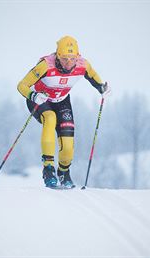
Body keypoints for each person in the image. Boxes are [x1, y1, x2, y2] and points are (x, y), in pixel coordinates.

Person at [17, 36, 110, 188]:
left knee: (67, 144)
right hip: (40, 99)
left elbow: (95, 78)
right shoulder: (45, 65)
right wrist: (33, 95)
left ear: (77, 56)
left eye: (72, 58)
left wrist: (102, 88)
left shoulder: (83, 65)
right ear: (57, 56)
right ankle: (48, 169)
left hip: (62, 100)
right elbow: (22, 85)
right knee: (50, 117)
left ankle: (64, 172)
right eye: (64, 58)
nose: (68, 63)